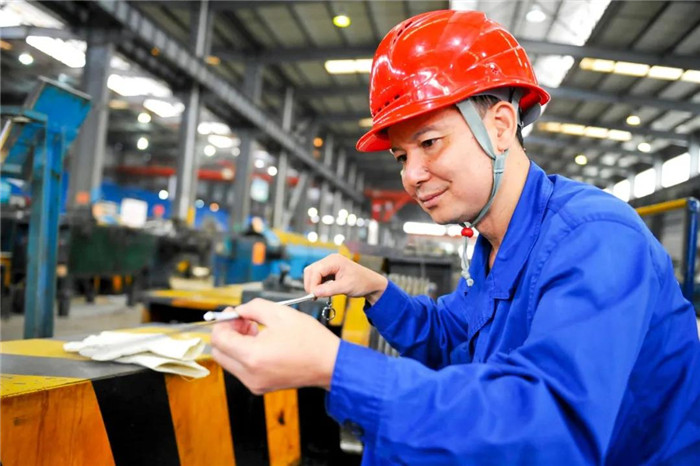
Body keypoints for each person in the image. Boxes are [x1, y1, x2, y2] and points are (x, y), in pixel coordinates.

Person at [211, 10, 700, 464]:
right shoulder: (493, 244)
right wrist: (376, 290)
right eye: (402, 157)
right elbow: (453, 336)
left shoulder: (595, 240)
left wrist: (334, 366)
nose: (411, 176)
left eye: (429, 142)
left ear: (501, 126)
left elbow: (547, 426)